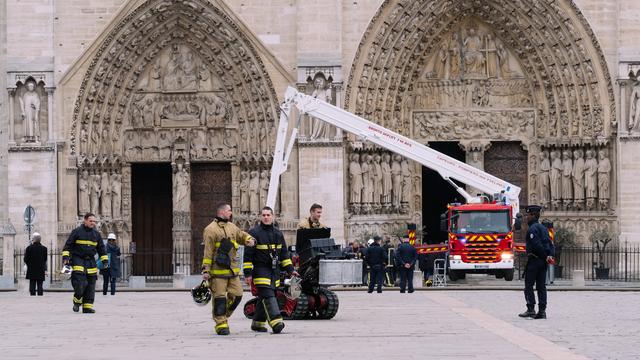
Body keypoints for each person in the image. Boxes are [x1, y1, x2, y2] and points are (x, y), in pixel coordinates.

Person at [201, 203, 255, 335]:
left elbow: (241, 235)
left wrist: (249, 239)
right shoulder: (210, 229)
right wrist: (206, 270)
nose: (231, 213)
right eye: (229, 211)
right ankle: (221, 323)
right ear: (222, 212)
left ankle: (223, 314)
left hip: (232, 271)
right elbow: (208, 252)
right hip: (217, 272)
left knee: (237, 295)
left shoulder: (231, 227)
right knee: (219, 298)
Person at [244, 206, 299, 333]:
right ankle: (276, 322)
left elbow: (284, 255)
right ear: (260, 217)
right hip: (260, 270)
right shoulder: (254, 233)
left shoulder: (278, 233)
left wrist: (291, 270)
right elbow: (248, 256)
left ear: (272, 216)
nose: (266, 217)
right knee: (268, 294)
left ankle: (257, 323)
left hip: (274, 271)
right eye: (263, 215)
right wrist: (247, 274)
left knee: (267, 295)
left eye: (268, 215)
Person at [62, 213, 107, 313]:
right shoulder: (76, 232)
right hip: (78, 260)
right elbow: (68, 246)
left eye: (94, 221)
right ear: (85, 221)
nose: (93, 223)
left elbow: (101, 249)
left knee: (91, 285)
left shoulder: (96, 234)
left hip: (91, 261)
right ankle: (77, 302)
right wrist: (66, 257)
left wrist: (105, 260)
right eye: (91, 221)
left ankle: (87, 307)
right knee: (80, 283)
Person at [519, 205, 555, 320]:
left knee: (529, 285)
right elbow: (550, 244)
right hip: (543, 262)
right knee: (541, 286)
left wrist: (544, 256)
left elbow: (536, 245)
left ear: (533, 215)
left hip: (535, 260)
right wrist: (550, 256)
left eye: (528, 215)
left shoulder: (532, 229)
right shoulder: (544, 228)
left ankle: (531, 309)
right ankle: (542, 311)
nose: (526, 217)